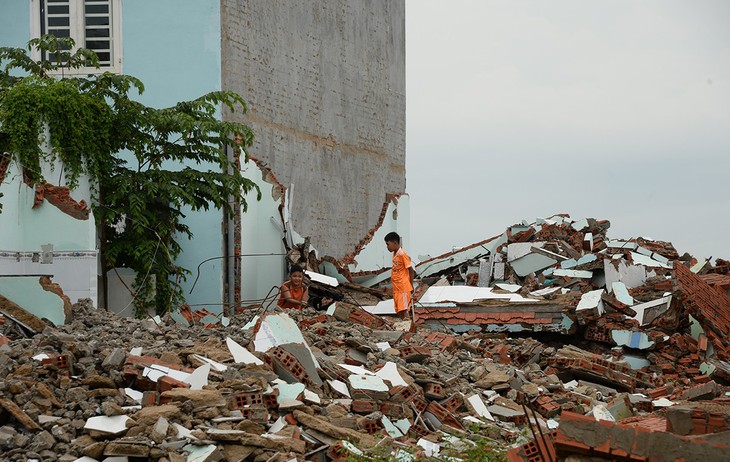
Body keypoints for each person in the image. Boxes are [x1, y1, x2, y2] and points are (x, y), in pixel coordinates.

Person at [384, 232, 415, 318]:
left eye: (388, 244)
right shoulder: (394, 254)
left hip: (403, 287)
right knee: (399, 310)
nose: (387, 247)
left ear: (395, 243)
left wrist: (411, 285)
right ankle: (403, 327)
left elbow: (411, 270)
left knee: (404, 310)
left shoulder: (402, 254)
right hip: (397, 288)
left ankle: (408, 327)